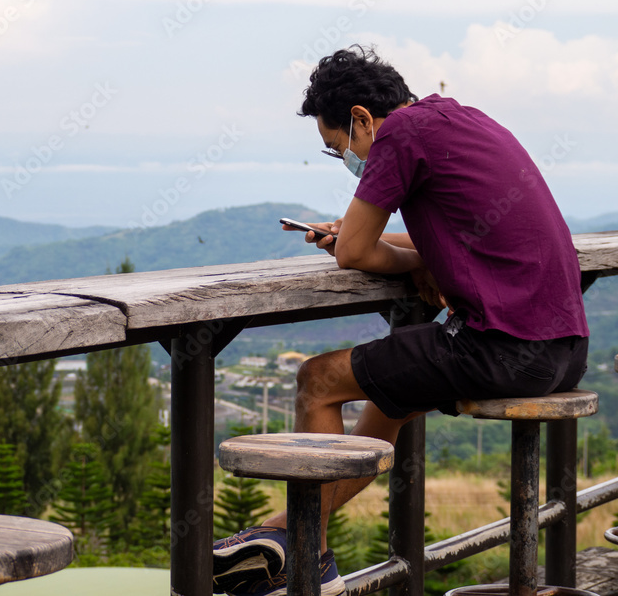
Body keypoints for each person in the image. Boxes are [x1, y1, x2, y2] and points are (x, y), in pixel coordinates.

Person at [212, 45, 589, 596]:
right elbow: (446, 239)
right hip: (563, 349)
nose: (346, 159)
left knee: (317, 382)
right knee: (384, 410)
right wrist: (390, 247)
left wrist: (358, 240)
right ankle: (285, 533)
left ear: (362, 119)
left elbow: (355, 254)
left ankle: (308, 560)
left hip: (502, 347)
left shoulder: (399, 136)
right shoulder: (461, 119)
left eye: (337, 147)